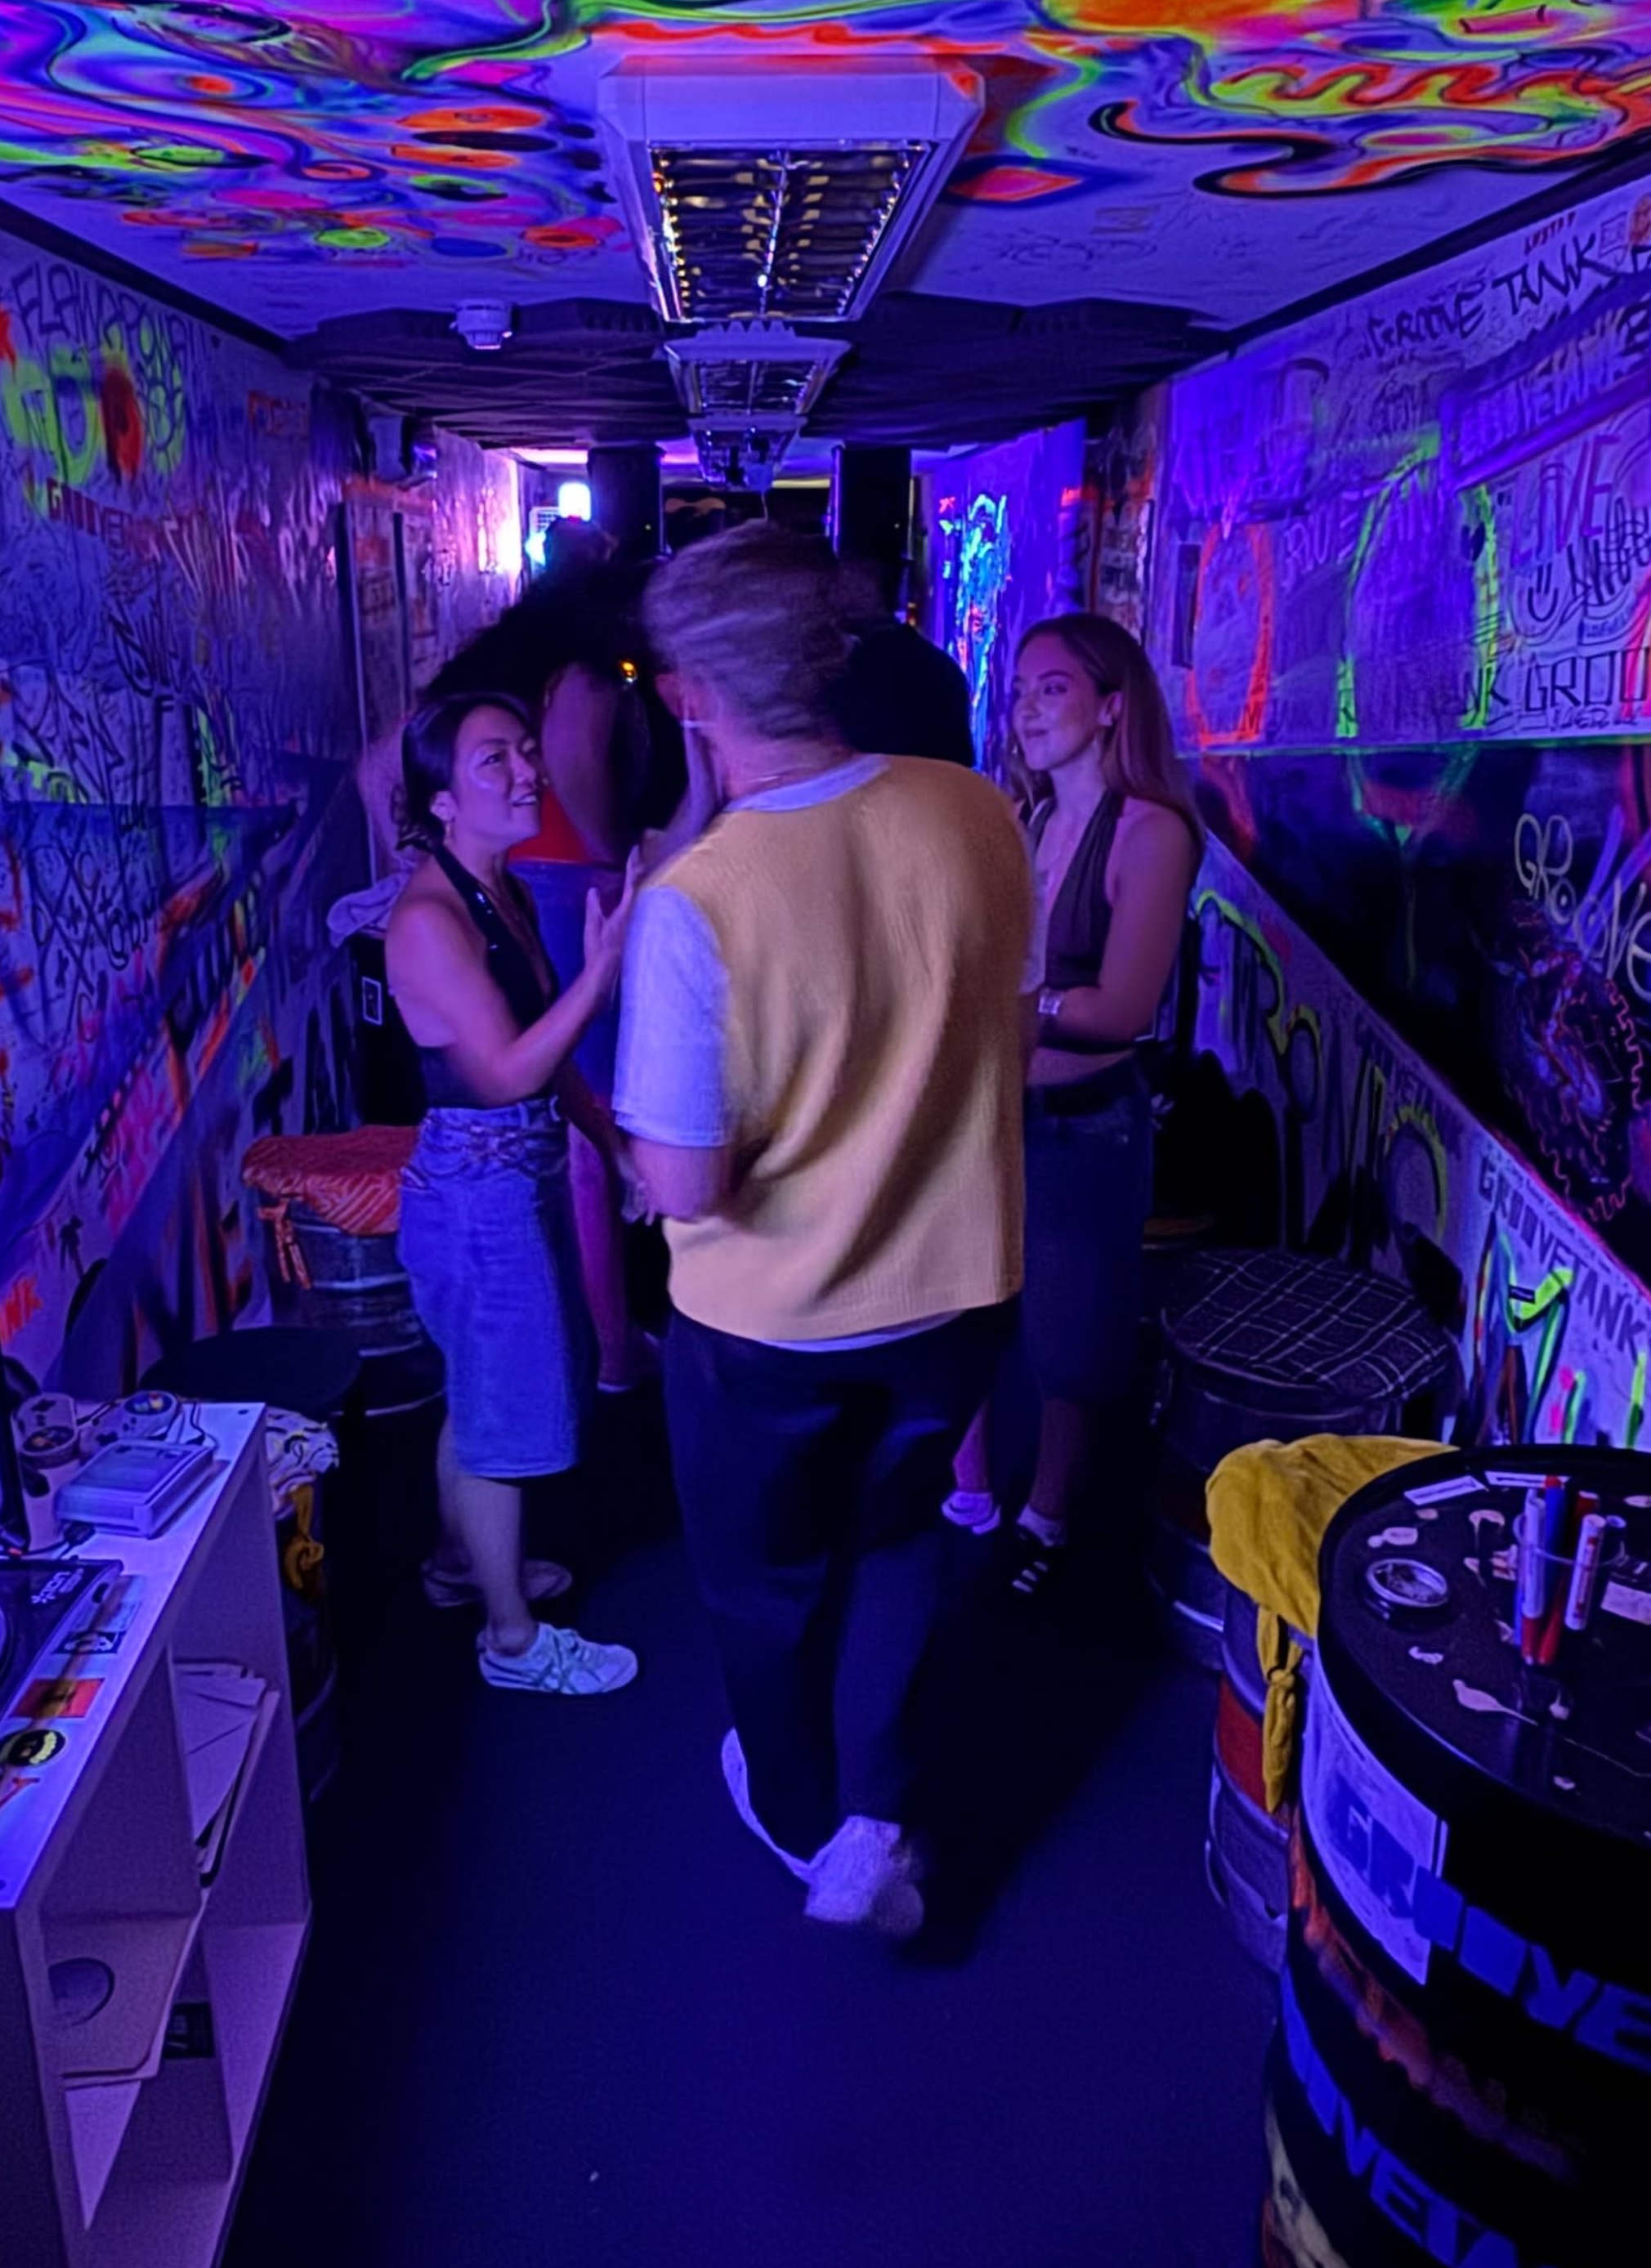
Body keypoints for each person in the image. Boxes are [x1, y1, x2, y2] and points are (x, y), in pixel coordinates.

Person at [616, 527, 1034, 1937]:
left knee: (767, 1583)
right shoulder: (976, 811)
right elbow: (1010, 1036)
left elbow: (685, 1185)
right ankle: (882, 1800)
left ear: (691, 694)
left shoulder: (698, 901)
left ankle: (808, 1823)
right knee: (901, 1539)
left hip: (768, 1326)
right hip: (959, 1288)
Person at [383, 687, 640, 1697]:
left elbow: (545, 1059)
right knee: (501, 1416)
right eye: (495, 758)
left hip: (511, 1174)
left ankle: (463, 1562)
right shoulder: (428, 919)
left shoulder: (503, 888)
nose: (529, 770)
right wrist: (600, 973)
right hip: (475, 1188)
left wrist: (610, 1144)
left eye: (526, 749)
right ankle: (514, 1639)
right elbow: (502, 1073)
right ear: (442, 801)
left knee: (483, 1393)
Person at [945, 615, 1196, 1590]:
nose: (1027, 708)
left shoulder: (1151, 831)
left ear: (1112, 706)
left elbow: (1122, 1009)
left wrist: (1012, 1000)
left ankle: (1046, 1522)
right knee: (965, 1306)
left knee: (1069, 1344)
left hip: (1085, 1126)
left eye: (1052, 688)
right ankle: (968, 1492)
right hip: (992, 1110)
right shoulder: (1028, 816)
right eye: (1020, 690)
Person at [434, 552, 686, 1393]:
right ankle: (610, 1345)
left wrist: (428, 870)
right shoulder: (586, 675)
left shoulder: (510, 665)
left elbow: (378, 770)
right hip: (570, 887)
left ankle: (592, 1334)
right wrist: (628, 862)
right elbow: (584, 791)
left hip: (526, 881)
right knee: (589, 1116)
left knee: (567, 1104)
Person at [824, 573, 975, 767]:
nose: (833, 597)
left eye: (839, 586)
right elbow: (960, 762)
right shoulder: (941, 668)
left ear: (867, 589)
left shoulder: (846, 673)